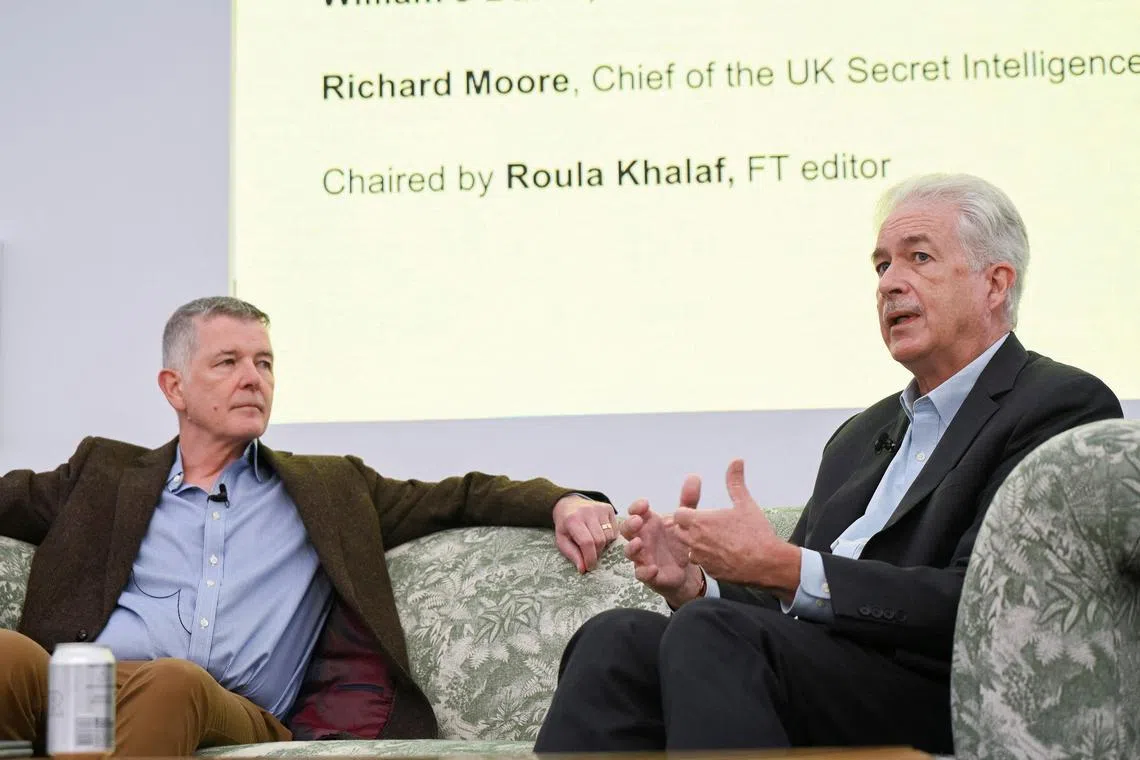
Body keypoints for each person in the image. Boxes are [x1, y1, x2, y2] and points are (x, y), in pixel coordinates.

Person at [533, 173, 1123, 755]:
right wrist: (696, 584)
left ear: (995, 284)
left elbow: (986, 604)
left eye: (918, 258)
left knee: (711, 632)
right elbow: (781, 609)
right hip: (824, 673)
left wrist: (785, 568)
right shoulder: (858, 436)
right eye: (882, 266)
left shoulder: (1057, 404)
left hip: (942, 690)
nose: (890, 284)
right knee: (616, 639)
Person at [0, 296, 617, 756]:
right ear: (175, 387)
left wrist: (562, 501)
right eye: (228, 362)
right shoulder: (105, 472)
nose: (254, 378)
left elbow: (462, 496)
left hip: (223, 704)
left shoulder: (329, 488)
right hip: (79, 695)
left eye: (264, 363)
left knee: (173, 684)